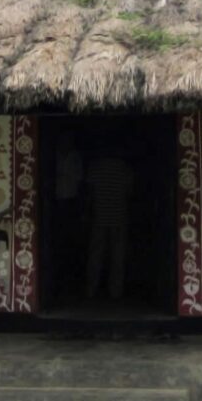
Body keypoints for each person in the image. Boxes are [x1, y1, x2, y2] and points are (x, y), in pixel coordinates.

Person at [83, 127, 134, 302]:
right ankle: (116, 292)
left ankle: (91, 290)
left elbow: (89, 194)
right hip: (119, 216)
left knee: (95, 255)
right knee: (117, 256)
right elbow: (130, 192)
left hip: (99, 216)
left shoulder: (94, 167)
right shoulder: (124, 168)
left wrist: (86, 213)